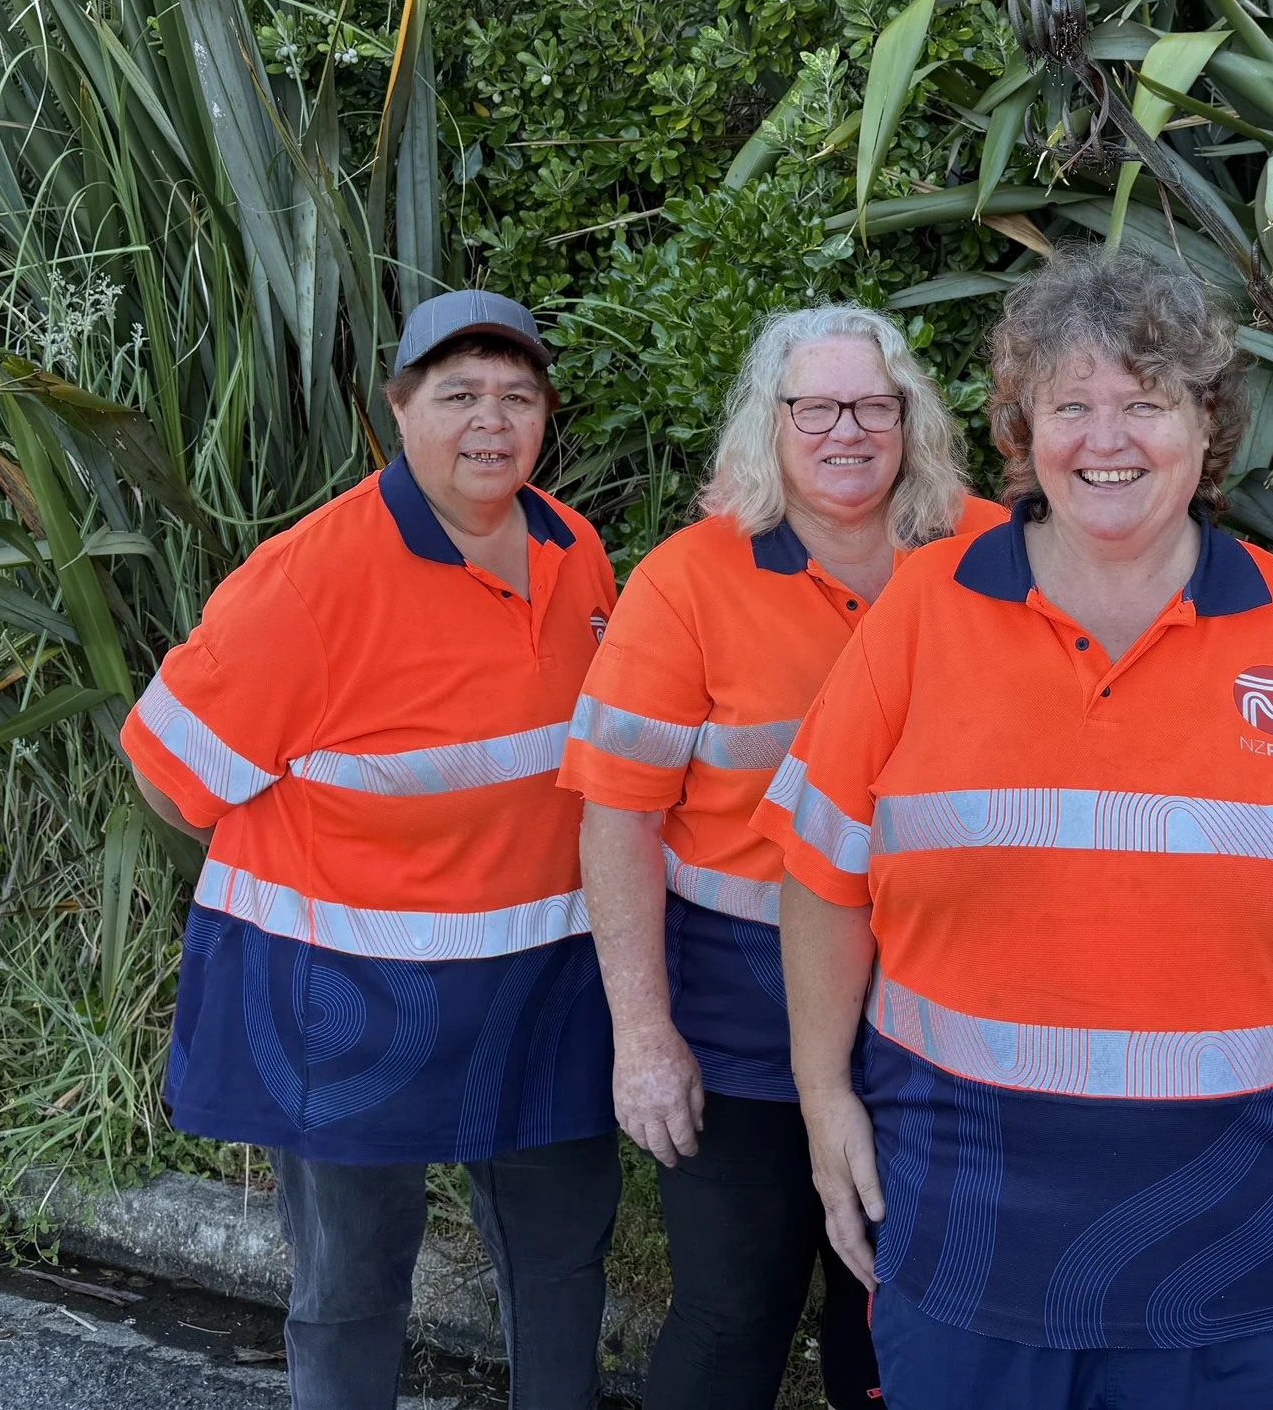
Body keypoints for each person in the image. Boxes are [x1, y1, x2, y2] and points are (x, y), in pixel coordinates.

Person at [752, 247, 1273, 1410]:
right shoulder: (919, 617)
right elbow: (821, 882)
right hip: (969, 1237)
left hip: (1261, 1250)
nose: (1107, 439)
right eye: (1069, 405)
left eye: (1146, 403)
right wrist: (824, 1097)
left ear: (1206, 431)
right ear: (1021, 431)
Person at [120, 289, 621, 1410]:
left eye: (515, 396)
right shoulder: (307, 581)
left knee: (561, 1262)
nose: (490, 422)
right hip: (347, 992)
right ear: (398, 410)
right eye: (458, 396)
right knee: (351, 1282)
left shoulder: (571, 545)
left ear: (543, 417)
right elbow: (167, 771)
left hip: (540, 980)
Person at [560, 306, 1003, 1410]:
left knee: (903, 1308)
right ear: (772, 423)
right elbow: (616, 816)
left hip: (937, 1007)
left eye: (871, 405)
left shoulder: (994, 554)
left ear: (909, 419)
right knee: (732, 1312)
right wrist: (642, 1036)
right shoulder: (688, 581)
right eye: (815, 407)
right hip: (740, 1010)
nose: (845, 430)